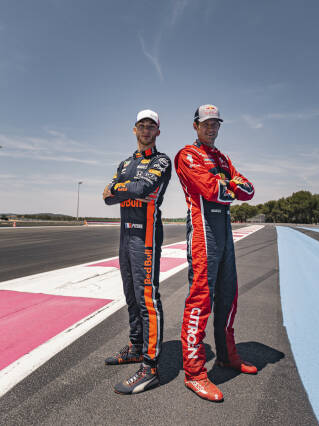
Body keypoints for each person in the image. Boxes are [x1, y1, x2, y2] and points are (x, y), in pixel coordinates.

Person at [174, 104, 257, 402]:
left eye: (216, 124)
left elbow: (249, 189)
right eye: (206, 124)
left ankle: (226, 355)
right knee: (201, 297)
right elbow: (212, 190)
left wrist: (228, 186)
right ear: (195, 125)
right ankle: (194, 373)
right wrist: (228, 185)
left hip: (224, 229)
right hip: (202, 230)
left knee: (229, 293)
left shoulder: (222, 158)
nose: (211, 128)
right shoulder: (186, 155)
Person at [102, 109, 171, 395]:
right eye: (141, 126)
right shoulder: (126, 162)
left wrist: (122, 188)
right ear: (134, 129)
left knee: (147, 298)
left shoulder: (161, 160)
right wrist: (125, 188)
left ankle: (150, 366)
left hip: (146, 236)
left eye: (151, 126)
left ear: (157, 131)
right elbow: (108, 197)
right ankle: (135, 346)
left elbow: (144, 187)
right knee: (130, 293)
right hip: (125, 234)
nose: (146, 130)